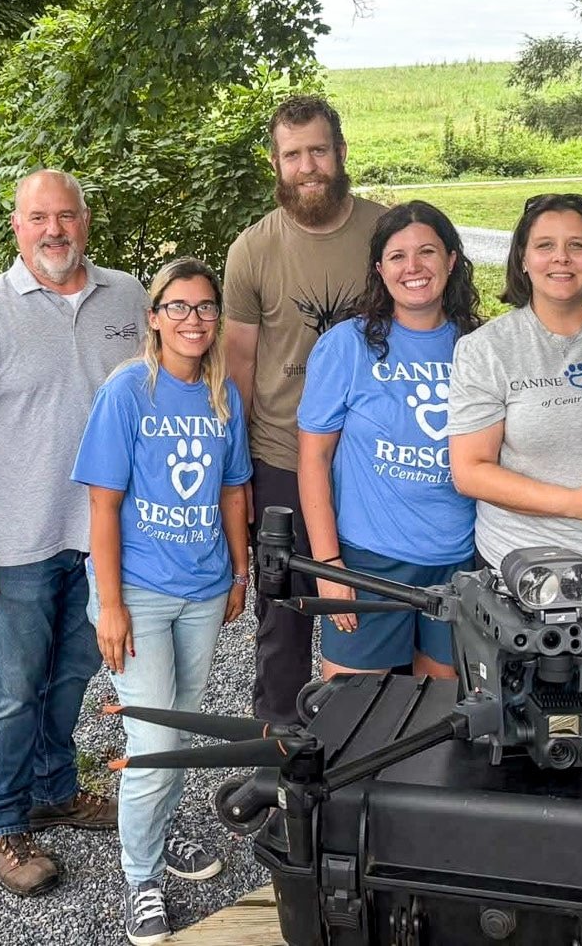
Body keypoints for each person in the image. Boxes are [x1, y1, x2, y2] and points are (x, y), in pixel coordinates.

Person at [0, 169, 146, 897]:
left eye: (67, 216)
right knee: (15, 689)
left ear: (87, 221)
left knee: (71, 678)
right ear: (16, 228)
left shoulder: (129, 299)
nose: (54, 230)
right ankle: (2, 821)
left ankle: (55, 789)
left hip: (103, 539)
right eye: (38, 218)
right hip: (16, 542)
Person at [72, 258, 252, 945]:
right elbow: (103, 504)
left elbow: (233, 490)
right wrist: (110, 604)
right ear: (154, 316)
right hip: (139, 593)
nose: (194, 320)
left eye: (206, 308)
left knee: (175, 730)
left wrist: (238, 574)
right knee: (156, 739)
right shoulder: (128, 392)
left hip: (204, 590)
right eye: (178, 307)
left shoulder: (223, 395)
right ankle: (140, 876)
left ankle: (159, 835)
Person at [446, 193, 582, 689]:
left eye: (577, 245)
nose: (561, 258)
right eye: (545, 245)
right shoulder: (486, 349)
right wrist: (574, 504)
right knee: (516, 737)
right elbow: (470, 470)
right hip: (521, 576)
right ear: (522, 258)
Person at [224, 94, 387, 723]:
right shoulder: (253, 250)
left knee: (375, 606)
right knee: (284, 614)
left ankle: (375, 740)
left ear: (341, 153)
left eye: (318, 150)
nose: (308, 166)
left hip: (373, 459)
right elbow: (239, 367)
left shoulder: (385, 232)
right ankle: (281, 747)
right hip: (282, 457)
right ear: (276, 163)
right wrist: (234, 479)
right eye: (293, 155)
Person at [295, 201, 481, 681]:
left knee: (441, 722)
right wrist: (328, 566)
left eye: (427, 252)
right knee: (351, 715)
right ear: (380, 269)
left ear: (452, 260)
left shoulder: (479, 347)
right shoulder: (346, 345)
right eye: (397, 256)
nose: (413, 267)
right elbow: (314, 458)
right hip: (367, 559)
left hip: (456, 560)